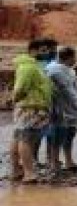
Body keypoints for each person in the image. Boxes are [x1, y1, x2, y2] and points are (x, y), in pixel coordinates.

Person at [10, 40, 53, 183]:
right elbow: (20, 89)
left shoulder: (33, 66)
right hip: (30, 108)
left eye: (47, 50)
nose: (46, 53)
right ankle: (28, 173)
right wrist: (16, 100)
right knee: (25, 139)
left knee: (19, 137)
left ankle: (17, 171)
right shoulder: (28, 67)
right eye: (43, 50)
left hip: (32, 107)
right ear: (32, 51)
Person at [45, 47, 77, 173]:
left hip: (72, 109)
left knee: (70, 134)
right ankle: (54, 162)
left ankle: (69, 161)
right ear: (68, 58)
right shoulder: (55, 71)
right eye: (74, 57)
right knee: (58, 135)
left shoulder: (69, 70)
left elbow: (75, 88)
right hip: (58, 108)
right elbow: (67, 89)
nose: (75, 59)